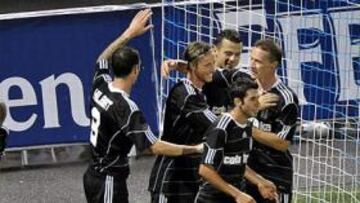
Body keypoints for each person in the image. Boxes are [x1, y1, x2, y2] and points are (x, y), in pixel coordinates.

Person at [83, 9, 203, 203]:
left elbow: (101, 59)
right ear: (136, 70)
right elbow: (153, 147)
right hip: (108, 180)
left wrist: (128, 34)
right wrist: (195, 149)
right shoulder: (125, 108)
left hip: (94, 174)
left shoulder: (101, 84)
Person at [148, 41, 217, 203]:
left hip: (189, 176)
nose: (213, 69)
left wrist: (177, 64)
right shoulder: (185, 95)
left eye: (213, 64)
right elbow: (218, 126)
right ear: (193, 67)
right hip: (170, 178)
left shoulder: (201, 89)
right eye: (208, 65)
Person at [195, 78, 278, 203]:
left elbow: (238, 163)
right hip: (212, 199)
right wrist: (237, 194)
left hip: (234, 195)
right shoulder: (222, 127)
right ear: (238, 101)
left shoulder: (248, 125)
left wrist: (260, 181)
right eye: (252, 99)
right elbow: (205, 170)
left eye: (258, 97)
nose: (258, 103)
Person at [161, 29, 279, 115]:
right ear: (214, 50)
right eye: (228, 53)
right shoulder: (191, 88)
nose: (233, 59)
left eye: (237, 55)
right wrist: (177, 65)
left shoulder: (234, 78)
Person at [245, 39, 299, 203]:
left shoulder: (286, 98)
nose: (252, 65)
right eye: (251, 59)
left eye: (258, 61)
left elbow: (282, 143)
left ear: (273, 65)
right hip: (246, 170)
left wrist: (246, 129)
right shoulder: (245, 88)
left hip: (274, 173)